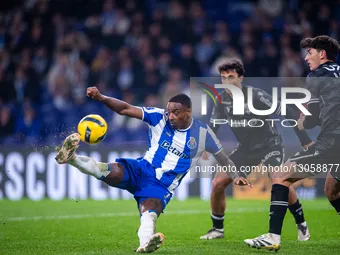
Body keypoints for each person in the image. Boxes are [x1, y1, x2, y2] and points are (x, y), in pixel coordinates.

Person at [55, 87, 250, 253]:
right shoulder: (158, 117)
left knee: (149, 212)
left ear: (188, 112)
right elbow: (125, 109)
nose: (170, 116)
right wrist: (101, 97)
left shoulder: (203, 134)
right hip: (142, 168)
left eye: (176, 112)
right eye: (169, 111)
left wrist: (237, 175)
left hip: (162, 185)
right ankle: (72, 158)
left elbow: (225, 159)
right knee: (106, 170)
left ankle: (145, 243)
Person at [199, 58, 314, 241]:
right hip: (246, 149)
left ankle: (301, 224)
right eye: (223, 78)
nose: (227, 82)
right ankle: (217, 229)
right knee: (217, 184)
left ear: (241, 78)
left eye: (231, 77)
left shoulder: (255, 96)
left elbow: (288, 112)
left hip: (270, 144)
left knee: (279, 180)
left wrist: (305, 140)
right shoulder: (221, 100)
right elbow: (213, 126)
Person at [244, 35, 340, 251]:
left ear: (322, 54)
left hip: (333, 142)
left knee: (279, 175)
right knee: (332, 191)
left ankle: (272, 236)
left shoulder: (316, 75)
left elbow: (310, 116)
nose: (306, 57)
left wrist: (301, 119)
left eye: (310, 52)